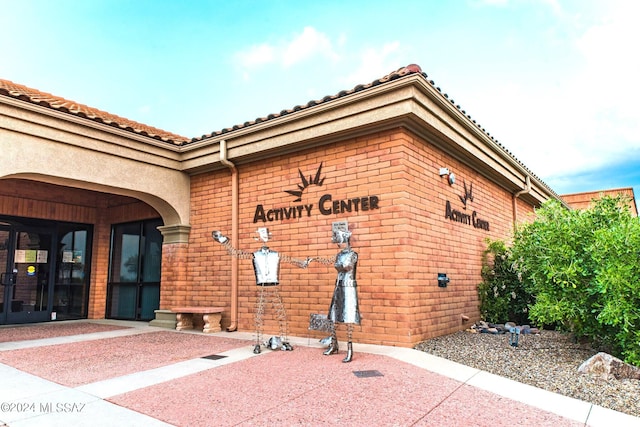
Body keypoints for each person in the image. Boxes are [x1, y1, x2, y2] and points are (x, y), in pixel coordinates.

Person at [212, 227, 309, 354]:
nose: (265, 238)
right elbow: (235, 253)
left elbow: (295, 262)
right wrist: (224, 242)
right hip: (262, 287)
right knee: (259, 316)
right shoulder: (254, 255)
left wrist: (305, 262)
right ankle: (257, 342)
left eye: (267, 235)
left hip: (273, 287)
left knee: (281, 314)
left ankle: (284, 340)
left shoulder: (276, 255)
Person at [318, 225, 361, 363]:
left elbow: (346, 266)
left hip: (349, 288)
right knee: (333, 317)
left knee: (348, 319)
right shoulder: (339, 254)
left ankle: (349, 349)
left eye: (339, 239)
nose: (338, 243)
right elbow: (333, 263)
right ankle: (334, 344)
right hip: (338, 286)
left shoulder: (353, 254)